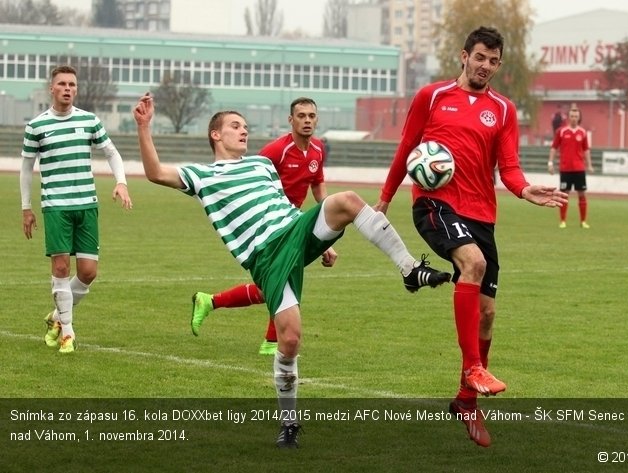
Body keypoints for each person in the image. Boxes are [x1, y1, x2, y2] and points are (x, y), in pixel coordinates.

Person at [133, 92, 449, 448]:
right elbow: (155, 173)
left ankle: (409, 269)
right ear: (215, 135)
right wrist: (144, 127)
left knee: (346, 200)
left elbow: (282, 206)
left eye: (246, 127)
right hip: (265, 256)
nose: (243, 131)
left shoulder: (262, 166)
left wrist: (323, 241)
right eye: (235, 126)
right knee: (291, 338)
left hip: (293, 231)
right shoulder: (202, 175)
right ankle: (289, 423)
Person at [375, 26, 567, 448]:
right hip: (434, 203)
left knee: (488, 313)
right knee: (473, 264)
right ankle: (474, 369)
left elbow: (510, 167)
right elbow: (406, 149)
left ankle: (465, 401)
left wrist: (524, 189)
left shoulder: (503, 110)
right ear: (464, 56)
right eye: (479, 57)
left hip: (482, 213)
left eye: (493, 61)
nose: (485, 66)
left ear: (499, 64)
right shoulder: (432, 96)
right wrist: (385, 201)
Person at [191, 97, 335, 356]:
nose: (307, 121)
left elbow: (318, 186)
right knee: (279, 283)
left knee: (277, 285)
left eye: (311, 116)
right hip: (269, 225)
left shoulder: (318, 150)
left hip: (295, 222)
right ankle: (270, 340)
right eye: (301, 116)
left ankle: (211, 302)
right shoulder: (275, 151)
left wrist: (324, 225)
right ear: (291, 120)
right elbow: (244, 174)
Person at [20, 65, 133, 354]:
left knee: (88, 272)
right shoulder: (37, 126)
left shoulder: (89, 121)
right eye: (62, 84)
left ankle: (56, 318)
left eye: (72, 84)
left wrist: (121, 182)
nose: (68, 88)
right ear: (52, 88)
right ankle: (68, 333)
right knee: (60, 268)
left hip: (87, 205)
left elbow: (111, 152)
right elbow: (26, 168)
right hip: (55, 206)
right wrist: (26, 208)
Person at [547, 106, 593, 228]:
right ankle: (562, 221)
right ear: (568, 117)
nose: (574, 118)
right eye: (572, 116)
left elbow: (586, 149)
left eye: (576, 116)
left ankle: (583, 222)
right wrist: (550, 163)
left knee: (582, 194)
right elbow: (554, 148)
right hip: (565, 169)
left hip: (579, 169)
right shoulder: (561, 131)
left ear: (579, 118)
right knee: (564, 195)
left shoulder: (582, 132)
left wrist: (589, 165)